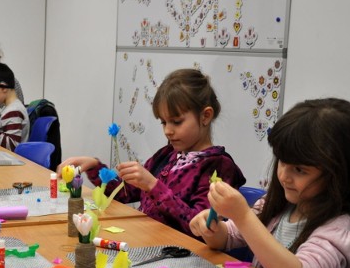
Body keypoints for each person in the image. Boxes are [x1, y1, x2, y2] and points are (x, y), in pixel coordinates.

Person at [190, 98, 350, 268]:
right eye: (281, 161)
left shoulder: (340, 229)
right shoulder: (280, 205)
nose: (283, 176)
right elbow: (230, 237)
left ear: (340, 175)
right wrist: (213, 228)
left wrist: (243, 216)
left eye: (299, 170)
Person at [58, 68, 246, 235]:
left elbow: (200, 227)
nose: (167, 130)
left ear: (205, 116)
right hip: (148, 240)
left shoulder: (218, 167)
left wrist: (153, 185)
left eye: (177, 122)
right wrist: (94, 166)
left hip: (183, 257)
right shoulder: (166, 155)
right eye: (164, 122)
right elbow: (125, 193)